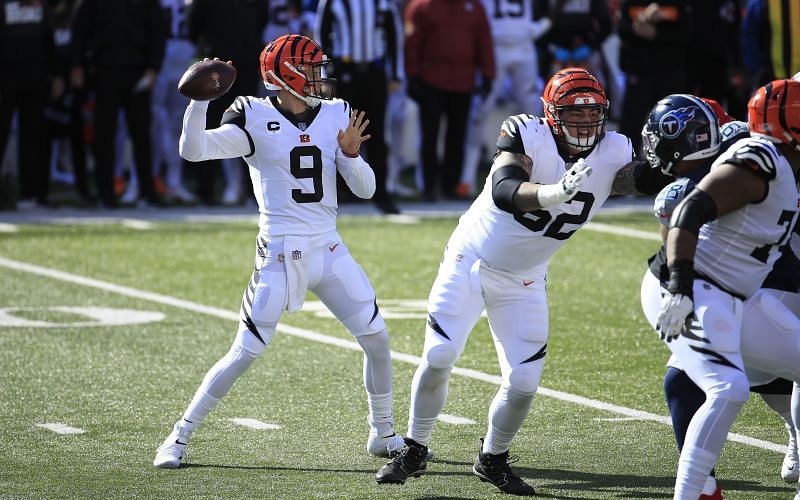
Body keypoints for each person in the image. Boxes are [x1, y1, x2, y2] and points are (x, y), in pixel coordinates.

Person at [375, 67, 673, 495]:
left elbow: (643, 179)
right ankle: (416, 447)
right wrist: (553, 193)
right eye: (575, 114)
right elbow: (503, 187)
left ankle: (492, 458)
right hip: (471, 261)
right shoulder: (525, 134)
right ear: (551, 115)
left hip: (526, 278)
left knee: (524, 382)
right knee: (440, 355)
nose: (586, 124)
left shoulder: (613, 150)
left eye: (593, 116)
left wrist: (696, 160)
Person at [153, 34, 403, 467]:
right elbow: (192, 151)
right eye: (310, 68)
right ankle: (179, 436)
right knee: (245, 352)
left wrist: (352, 156)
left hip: (329, 246)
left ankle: (383, 432)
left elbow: (367, 190)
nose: (320, 77)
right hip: (281, 253)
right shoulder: (251, 114)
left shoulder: (336, 114)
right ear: (285, 76)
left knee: (378, 340)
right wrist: (198, 104)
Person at [638, 93, 798, 499]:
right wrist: (679, 285)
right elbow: (688, 211)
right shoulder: (761, 158)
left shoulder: (783, 160)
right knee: (728, 387)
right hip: (690, 287)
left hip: (739, 297)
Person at [70, 0, 166, 208]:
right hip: (104, 71)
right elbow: (80, 29)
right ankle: (106, 193)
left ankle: (147, 192)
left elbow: (158, 31)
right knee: (103, 135)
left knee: (141, 135)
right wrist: (77, 65)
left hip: (138, 72)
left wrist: (153, 69)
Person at [459, 0, 558, 199]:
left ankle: (540, 172)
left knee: (533, 114)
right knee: (480, 111)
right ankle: (466, 176)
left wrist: (543, 24)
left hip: (522, 48)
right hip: (495, 48)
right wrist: (544, 24)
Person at [314, 0, 404, 214]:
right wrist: (324, 75)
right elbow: (321, 35)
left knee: (377, 136)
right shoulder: (331, 2)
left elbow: (394, 36)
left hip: (374, 72)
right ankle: (339, 193)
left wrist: (396, 73)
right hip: (345, 72)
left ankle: (380, 192)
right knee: (340, 133)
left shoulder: (382, 3)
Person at [404, 0, 495, 201]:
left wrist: (488, 73)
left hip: (463, 82)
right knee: (429, 136)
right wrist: (413, 76)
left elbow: (483, 39)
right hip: (431, 80)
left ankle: (450, 186)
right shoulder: (422, 6)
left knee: (457, 137)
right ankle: (428, 187)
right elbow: (412, 43)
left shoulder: (474, 7)